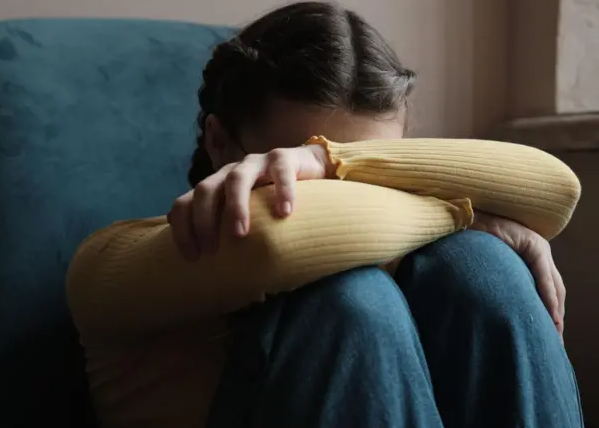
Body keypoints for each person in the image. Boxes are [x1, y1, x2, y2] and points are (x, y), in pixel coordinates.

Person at [67, 2, 584, 427]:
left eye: (375, 168)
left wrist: (324, 162)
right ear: (222, 143)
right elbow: (275, 244)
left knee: (476, 264)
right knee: (348, 296)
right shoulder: (113, 262)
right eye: (305, 168)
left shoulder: (405, 250)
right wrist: (464, 212)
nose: (346, 186)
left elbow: (557, 187)